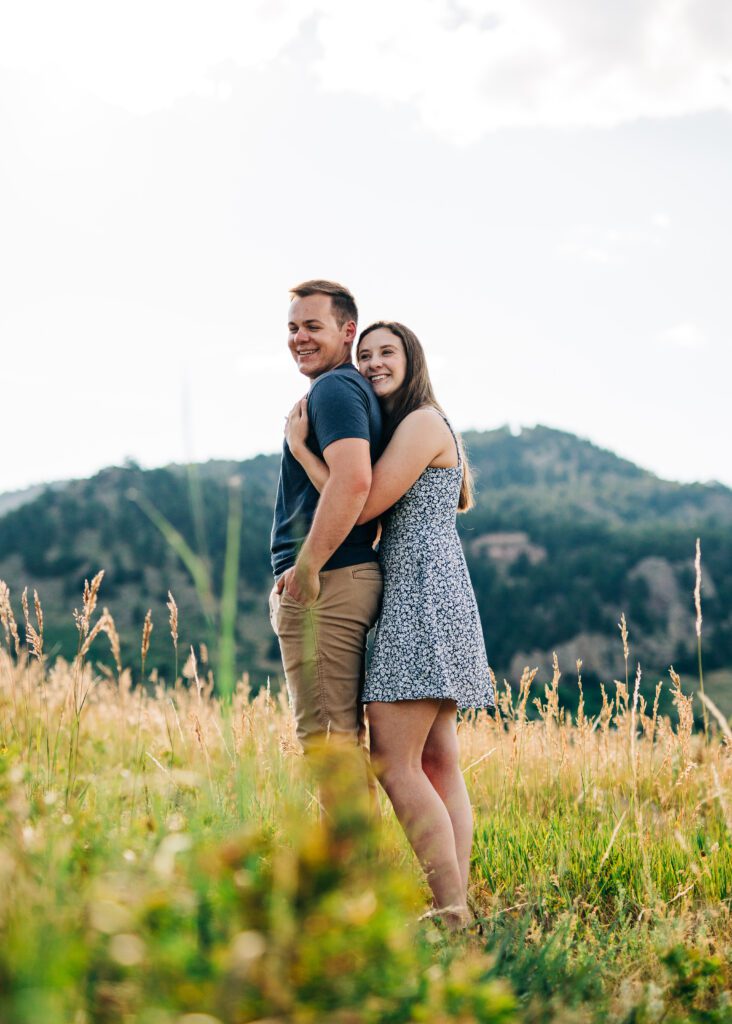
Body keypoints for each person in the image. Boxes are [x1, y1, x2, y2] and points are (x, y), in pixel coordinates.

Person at [286, 320, 495, 930]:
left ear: (413, 361)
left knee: (394, 762)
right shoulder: (416, 425)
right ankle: (459, 907)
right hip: (438, 592)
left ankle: (451, 912)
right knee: (436, 761)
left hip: (422, 596)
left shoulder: (422, 422)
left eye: (387, 353)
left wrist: (302, 450)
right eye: (367, 354)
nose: (374, 363)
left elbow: (364, 505)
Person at [269, 280, 384, 801]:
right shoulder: (352, 390)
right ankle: (353, 875)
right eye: (293, 328)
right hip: (340, 576)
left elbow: (354, 480)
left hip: (328, 582)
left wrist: (308, 567)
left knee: (327, 745)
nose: (300, 338)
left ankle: (348, 879)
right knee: (339, 741)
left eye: (313, 326)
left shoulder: (334, 389)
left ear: (347, 330)